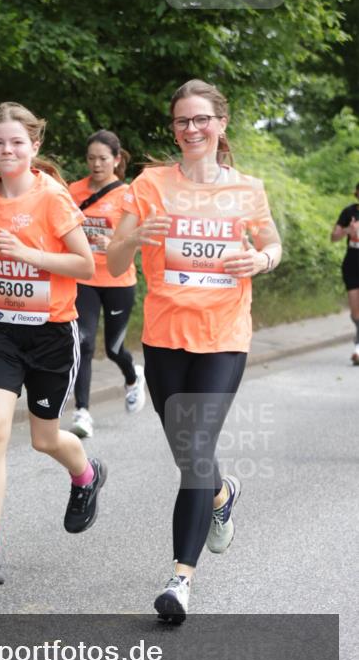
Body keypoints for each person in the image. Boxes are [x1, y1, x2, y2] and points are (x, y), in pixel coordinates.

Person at [107, 79, 282, 623]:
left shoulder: (247, 189)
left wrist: (261, 261)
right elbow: (113, 262)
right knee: (191, 456)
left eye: (201, 118)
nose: (192, 128)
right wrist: (137, 236)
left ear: (221, 124)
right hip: (164, 338)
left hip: (224, 335)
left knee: (196, 448)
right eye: (182, 120)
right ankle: (221, 494)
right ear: (174, 128)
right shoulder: (150, 184)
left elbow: (272, 243)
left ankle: (179, 581)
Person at [0, 101, 108, 586]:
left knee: (44, 439)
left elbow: (85, 265)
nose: (7, 150)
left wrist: (29, 255)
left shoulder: (53, 198)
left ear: (34, 146)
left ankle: (86, 475)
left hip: (51, 334)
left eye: (17, 142)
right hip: (1, 329)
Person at [68, 130, 145, 439]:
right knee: (83, 342)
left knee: (113, 349)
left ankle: (132, 376)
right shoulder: (73, 191)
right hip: (83, 277)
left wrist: (113, 241)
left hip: (117, 279)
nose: (96, 164)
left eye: (102, 158)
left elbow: (138, 239)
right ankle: (82, 412)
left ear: (116, 159)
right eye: (91, 158)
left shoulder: (128, 195)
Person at [331, 181, 359, 365]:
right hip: (352, 265)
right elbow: (333, 237)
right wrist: (349, 230)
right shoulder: (349, 212)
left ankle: (358, 348)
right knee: (356, 313)